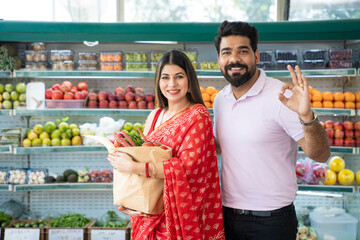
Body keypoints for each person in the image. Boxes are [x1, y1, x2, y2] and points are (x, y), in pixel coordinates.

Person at [212, 20, 331, 240]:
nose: (234, 59)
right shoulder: (220, 100)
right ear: (219, 59)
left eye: (242, 51)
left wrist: (307, 116)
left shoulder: (281, 96)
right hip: (226, 214)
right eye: (226, 52)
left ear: (256, 57)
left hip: (271, 221)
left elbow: (321, 155)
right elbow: (222, 149)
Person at [107, 50, 225, 240]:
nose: (172, 84)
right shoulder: (154, 115)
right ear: (158, 82)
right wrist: (131, 201)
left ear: (189, 81)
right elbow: (142, 159)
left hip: (178, 217)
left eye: (179, 77)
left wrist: (133, 167)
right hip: (147, 212)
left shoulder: (198, 116)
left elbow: (188, 169)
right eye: (165, 77)